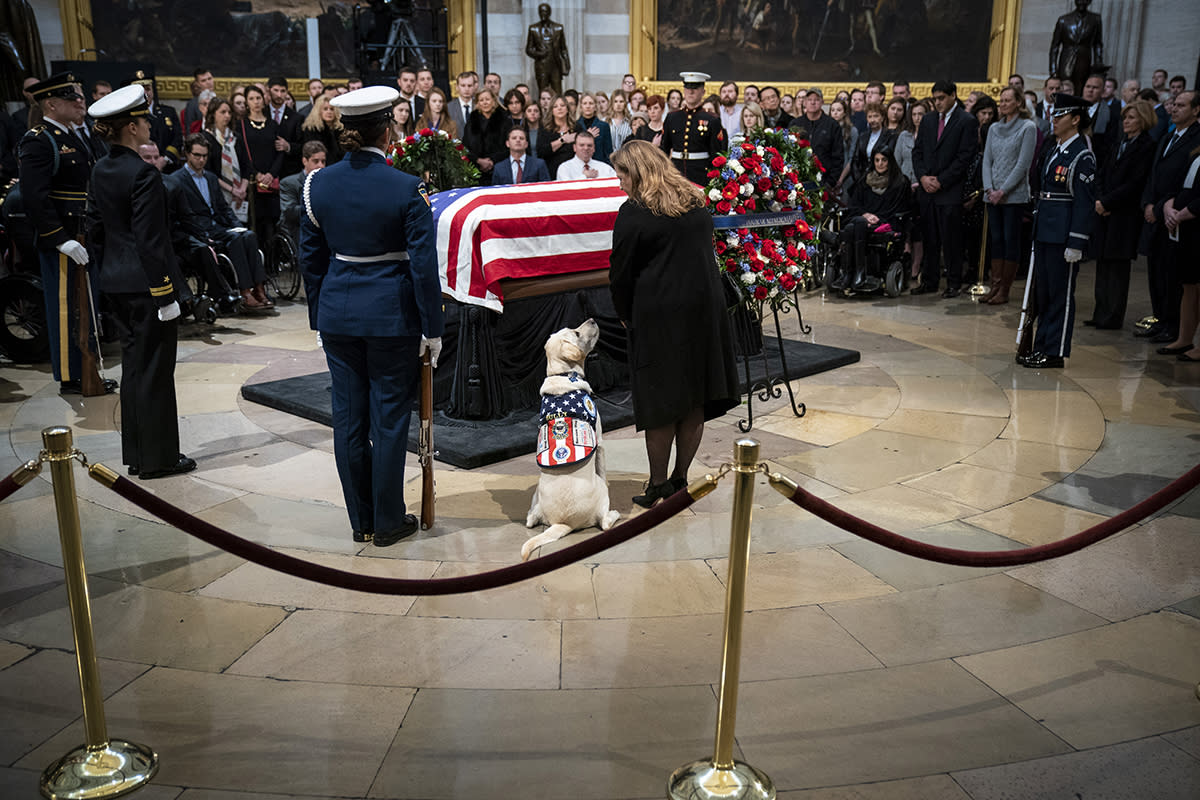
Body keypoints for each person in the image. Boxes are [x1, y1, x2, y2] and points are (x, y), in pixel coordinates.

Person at [299, 85, 445, 546]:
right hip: (390, 315)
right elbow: (422, 266)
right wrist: (433, 329)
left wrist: (319, 319)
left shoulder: (317, 184)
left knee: (348, 420)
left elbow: (311, 259)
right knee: (387, 420)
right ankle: (387, 522)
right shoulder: (406, 186)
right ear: (387, 131)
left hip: (339, 314)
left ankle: (360, 520)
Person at [608, 140, 738, 507]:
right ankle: (680, 480)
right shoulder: (696, 203)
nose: (619, 183)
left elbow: (620, 273)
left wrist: (623, 312)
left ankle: (657, 485)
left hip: (658, 315)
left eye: (622, 174)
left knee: (661, 402)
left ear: (639, 171)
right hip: (703, 311)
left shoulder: (633, 213)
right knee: (694, 397)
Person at [86, 84, 193, 478]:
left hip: (115, 282)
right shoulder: (143, 174)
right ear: (131, 128)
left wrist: (110, 271)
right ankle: (160, 459)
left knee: (134, 370)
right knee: (156, 372)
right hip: (147, 286)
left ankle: (137, 453)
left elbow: (95, 230)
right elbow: (150, 242)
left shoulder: (100, 169)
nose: (149, 125)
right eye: (143, 120)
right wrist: (165, 292)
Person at [17, 72, 114, 395]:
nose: (79, 101)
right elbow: (34, 196)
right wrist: (60, 238)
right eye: (71, 97)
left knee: (85, 304)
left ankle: (87, 368)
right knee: (64, 307)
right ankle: (71, 375)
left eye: (79, 95)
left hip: (83, 233)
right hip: (63, 239)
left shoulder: (74, 134)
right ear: (52, 103)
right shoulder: (39, 139)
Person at [1018, 93, 1096, 369]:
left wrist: (1076, 241)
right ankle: (1041, 346)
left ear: (1075, 119)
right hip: (1045, 232)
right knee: (1046, 294)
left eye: (1060, 116)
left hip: (1063, 235)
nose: (1054, 119)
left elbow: (1084, 204)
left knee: (1060, 296)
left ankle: (1055, 352)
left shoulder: (1082, 156)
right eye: (1053, 114)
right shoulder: (1056, 148)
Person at [169, 133, 273, 310]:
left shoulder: (210, 177)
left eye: (204, 156)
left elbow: (223, 208)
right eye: (197, 155)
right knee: (236, 239)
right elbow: (183, 216)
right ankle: (244, 291)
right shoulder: (177, 180)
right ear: (187, 154)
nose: (201, 160)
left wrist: (237, 226)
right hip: (199, 230)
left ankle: (259, 287)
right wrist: (203, 233)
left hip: (217, 225)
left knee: (247, 235)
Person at [1086, 100, 1157, 329]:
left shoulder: (1147, 146)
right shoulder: (1119, 143)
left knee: (1117, 267)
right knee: (1103, 263)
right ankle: (1100, 313)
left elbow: (1135, 183)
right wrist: (1099, 199)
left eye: (1132, 118)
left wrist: (1107, 202)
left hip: (1123, 214)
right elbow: (1101, 173)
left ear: (1143, 120)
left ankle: (1112, 316)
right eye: (1125, 118)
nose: (1126, 122)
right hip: (1104, 210)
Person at [1139, 91, 1200, 344]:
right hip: (1157, 210)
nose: (1174, 109)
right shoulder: (1167, 137)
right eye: (1173, 105)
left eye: (1181, 105)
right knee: (1155, 270)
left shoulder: (1197, 139)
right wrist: (1149, 203)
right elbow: (1154, 174)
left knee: (1172, 273)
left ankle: (1173, 325)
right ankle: (1161, 318)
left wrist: (1164, 204)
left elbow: (1186, 181)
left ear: (1196, 110)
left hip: (1176, 213)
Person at [911, 80, 979, 298]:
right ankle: (929, 280)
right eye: (935, 99)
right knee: (929, 237)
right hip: (926, 189)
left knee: (951, 239)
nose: (938, 103)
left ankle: (953, 282)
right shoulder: (929, 119)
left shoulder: (966, 121)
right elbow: (917, 152)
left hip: (949, 190)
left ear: (953, 96)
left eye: (941, 98)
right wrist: (922, 177)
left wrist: (941, 180)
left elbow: (965, 157)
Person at [981, 86, 1038, 304]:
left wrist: (1003, 190)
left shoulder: (1028, 127)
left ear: (1018, 103)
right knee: (996, 240)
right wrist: (989, 189)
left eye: (1007, 100)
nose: (1003, 104)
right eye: (1001, 100)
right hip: (992, 195)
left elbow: (1023, 164)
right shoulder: (994, 128)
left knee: (1010, 240)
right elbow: (987, 160)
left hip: (1013, 196)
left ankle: (1004, 290)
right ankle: (994, 286)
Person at [832, 147, 912, 293]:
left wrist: (876, 218)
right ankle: (852, 273)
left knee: (854, 226)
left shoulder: (900, 182)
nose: (880, 164)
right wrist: (865, 215)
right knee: (854, 225)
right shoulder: (865, 181)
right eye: (877, 160)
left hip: (887, 221)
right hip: (863, 221)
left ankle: (856, 273)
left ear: (890, 162)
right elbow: (854, 205)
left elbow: (900, 208)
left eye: (884, 160)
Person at [1164, 147, 1200, 360]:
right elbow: (1175, 187)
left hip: (1195, 223)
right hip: (1186, 230)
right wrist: (1169, 207)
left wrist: (1183, 214)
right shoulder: (1194, 154)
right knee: (1188, 285)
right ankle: (1184, 338)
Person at [237, 85, 284, 246]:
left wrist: (271, 174)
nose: (256, 102)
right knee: (255, 221)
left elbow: (280, 152)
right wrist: (256, 174)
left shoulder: (273, 125)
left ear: (264, 100)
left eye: (258, 98)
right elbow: (241, 154)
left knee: (272, 220)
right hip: (252, 181)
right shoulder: (241, 125)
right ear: (246, 102)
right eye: (251, 99)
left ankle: (273, 260)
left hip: (271, 181)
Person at [660, 71, 726, 184]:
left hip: (701, 173)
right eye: (687, 87)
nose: (690, 91)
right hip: (676, 172)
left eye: (695, 88)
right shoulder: (672, 117)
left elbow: (716, 154)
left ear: (703, 92)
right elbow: (664, 149)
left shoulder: (712, 120)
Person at [202, 98, 250, 225]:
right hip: (219, 192)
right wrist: (232, 190)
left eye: (229, 112)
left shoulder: (236, 137)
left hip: (240, 194)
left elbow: (246, 166)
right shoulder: (206, 138)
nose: (227, 116)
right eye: (223, 112)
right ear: (213, 114)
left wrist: (242, 190)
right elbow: (208, 171)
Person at [1050, 0, 1105, 100]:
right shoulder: (1063, 20)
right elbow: (1055, 47)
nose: (1081, 2)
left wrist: (1098, 64)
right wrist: (1053, 70)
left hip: (1084, 59)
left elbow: (1098, 44)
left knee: (1081, 90)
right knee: (1064, 90)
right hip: (1066, 60)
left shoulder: (1095, 19)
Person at [790, 88, 843, 186]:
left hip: (824, 180)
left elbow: (838, 156)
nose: (813, 102)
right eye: (809, 100)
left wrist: (831, 182)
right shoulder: (795, 124)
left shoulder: (832, 125)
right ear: (804, 102)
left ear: (822, 102)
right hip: (799, 180)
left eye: (816, 100)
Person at [279, 140, 326, 247]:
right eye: (316, 161)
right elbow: (290, 211)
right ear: (305, 161)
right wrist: (319, 209)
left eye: (323, 161)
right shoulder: (289, 183)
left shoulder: (328, 182)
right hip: (297, 228)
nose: (321, 166)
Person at [463, 88, 508, 185]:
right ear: (478, 103)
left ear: (493, 100)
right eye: (481, 100)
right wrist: (478, 160)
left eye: (487, 99)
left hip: (499, 167)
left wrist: (492, 161)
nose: (485, 103)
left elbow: (508, 145)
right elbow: (465, 145)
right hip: (476, 170)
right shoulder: (472, 120)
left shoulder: (504, 119)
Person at [526, 3, 570, 97]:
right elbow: (528, 49)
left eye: (545, 11)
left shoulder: (558, 28)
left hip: (555, 67)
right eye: (540, 12)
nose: (542, 14)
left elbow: (563, 49)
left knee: (558, 94)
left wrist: (567, 65)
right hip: (541, 66)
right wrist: (539, 54)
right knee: (543, 94)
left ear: (549, 13)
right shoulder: (533, 29)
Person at [850, 102, 897, 188]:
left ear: (882, 118)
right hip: (863, 181)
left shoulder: (890, 135)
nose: (872, 120)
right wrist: (859, 179)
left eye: (876, 116)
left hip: (883, 181)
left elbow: (890, 159)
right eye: (870, 117)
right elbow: (856, 160)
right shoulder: (863, 136)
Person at [537, 94, 577, 178]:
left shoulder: (576, 127)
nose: (559, 108)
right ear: (551, 110)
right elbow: (541, 152)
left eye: (562, 105)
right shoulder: (545, 129)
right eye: (555, 106)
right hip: (551, 172)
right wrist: (562, 140)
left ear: (567, 109)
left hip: (573, 173)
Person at [302, 95, 345, 165]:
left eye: (331, 109)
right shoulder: (311, 129)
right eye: (325, 109)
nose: (329, 112)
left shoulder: (340, 129)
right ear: (318, 111)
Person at [829, 98, 858, 197]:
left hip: (846, 176)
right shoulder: (827, 130)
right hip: (829, 176)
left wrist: (840, 179)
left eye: (839, 110)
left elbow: (851, 158)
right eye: (833, 110)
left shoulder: (852, 131)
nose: (835, 113)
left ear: (845, 112)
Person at [575, 93, 613, 164]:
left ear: (595, 107)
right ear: (581, 107)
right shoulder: (575, 125)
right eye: (585, 103)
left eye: (591, 103)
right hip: (579, 166)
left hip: (599, 166)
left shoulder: (604, 126)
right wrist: (588, 135)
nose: (588, 106)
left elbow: (608, 152)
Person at [447, 71, 478, 136]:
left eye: (469, 86)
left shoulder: (479, 106)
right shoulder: (449, 108)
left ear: (474, 87)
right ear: (457, 87)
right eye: (463, 85)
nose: (466, 89)